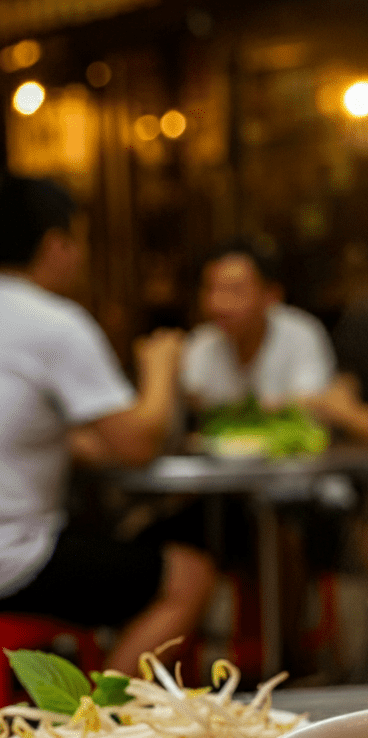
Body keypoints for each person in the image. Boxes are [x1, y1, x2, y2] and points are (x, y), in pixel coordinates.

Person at [0, 174, 217, 675]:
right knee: (189, 575)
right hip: (15, 561)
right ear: (54, 244)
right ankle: (95, 723)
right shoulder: (53, 323)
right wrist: (160, 367)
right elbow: (139, 444)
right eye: (77, 243)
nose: (79, 258)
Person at [182, 239, 368, 443]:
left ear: (271, 295)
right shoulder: (201, 344)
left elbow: (311, 408)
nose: (219, 304)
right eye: (211, 289)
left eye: (235, 291)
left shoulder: (301, 334)